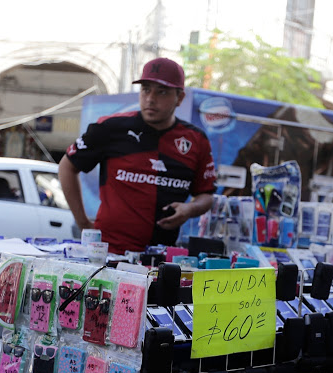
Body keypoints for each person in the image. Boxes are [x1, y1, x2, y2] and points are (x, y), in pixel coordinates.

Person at [58, 57, 216, 255]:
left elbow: (206, 195)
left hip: (162, 258)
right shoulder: (110, 127)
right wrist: (82, 222)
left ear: (180, 98)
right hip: (109, 254)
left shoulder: (196, 140)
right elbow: (67, 166)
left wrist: (190, 210)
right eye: (146, 90)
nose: (150, 98)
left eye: (162, 92)